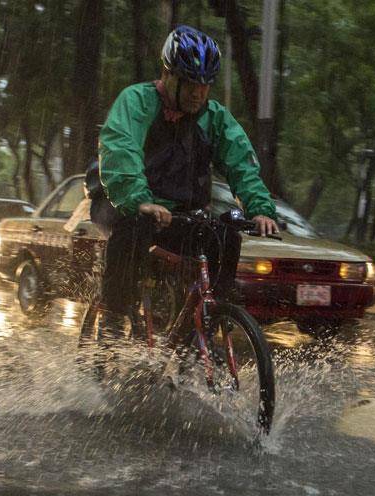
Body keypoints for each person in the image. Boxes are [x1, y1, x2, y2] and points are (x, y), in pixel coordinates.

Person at [94, 25, 278, 323]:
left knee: (225, 239)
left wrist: (259, 209)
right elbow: (121, 150)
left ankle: (210, 320)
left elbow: (241, 163)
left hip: (179, 215)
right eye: (190, 83)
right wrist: (140, 201)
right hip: (126, 203)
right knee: (133, 231)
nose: (198, 93)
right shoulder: (136, 101)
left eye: (206, 85)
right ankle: (112, 322)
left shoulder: (214, 117)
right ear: (167, 74)